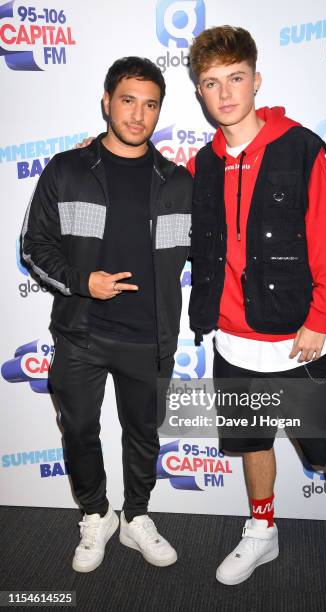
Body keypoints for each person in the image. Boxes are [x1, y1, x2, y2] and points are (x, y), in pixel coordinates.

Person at [187, 26, 326, 588]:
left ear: (256, 80)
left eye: (235, 78)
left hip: (302, 341)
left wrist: (319, 319)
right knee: (253, 444)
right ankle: (262, 530)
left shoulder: (300, 148)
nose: (225, 93)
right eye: (211, 83)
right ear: (200, 94)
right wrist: (93, 152)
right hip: (233, 342)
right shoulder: (201, 165)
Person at [22, 56, 193, 572]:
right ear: (106, 102)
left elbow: (209, 259)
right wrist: (83, 281)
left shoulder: (179, 182)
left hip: (149, 337)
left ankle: (137, 516)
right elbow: (35, 245)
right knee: (79, 432)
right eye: (127, 100)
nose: (138, 115)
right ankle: (96, 515)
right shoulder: (67, 169)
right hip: (81, 335)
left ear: (159, 111)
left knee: (144, 434)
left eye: (150, 104)